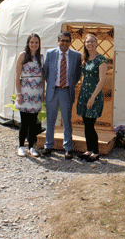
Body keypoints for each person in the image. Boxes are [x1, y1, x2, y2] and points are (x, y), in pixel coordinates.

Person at [42, 32, 82, 160]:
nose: (64, 43)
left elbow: (77, 75)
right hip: (53, 91)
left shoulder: (76, 55)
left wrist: (68, 84)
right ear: (58, 41)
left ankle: (68, 148)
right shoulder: (50, 53)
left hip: (66, 91)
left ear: (70, 42)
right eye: (62, 40)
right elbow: (46, 72)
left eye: (67, 41)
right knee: (50, 120)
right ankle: (48, 146)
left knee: (67, 121)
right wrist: (53, 84)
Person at [77, 34, 107, 162]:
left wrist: (92, 97)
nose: (90, 44)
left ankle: (95, 152)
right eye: (87, 42)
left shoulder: (101, 59)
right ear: (85, 44)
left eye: (92, 41)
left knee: (90, 124)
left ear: (96, 43)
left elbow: (102, 80)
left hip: (94, 95)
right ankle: (89, 150)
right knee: (86, 124)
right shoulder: (85, 58)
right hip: (84, 93)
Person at [15, 33, 44, 157]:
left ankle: (31, 146)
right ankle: (21, 146)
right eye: (32, 42)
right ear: (28, 43)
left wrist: (43, 92)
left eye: (36, 42)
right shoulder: (22, 55)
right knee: (24, 121)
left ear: (39, 44)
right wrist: (19, 94)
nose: (34, 44)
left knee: (34, 122)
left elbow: (42, 77)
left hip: (36, 92)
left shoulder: (41, 57)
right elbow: (17, 75)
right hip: (25, 91)